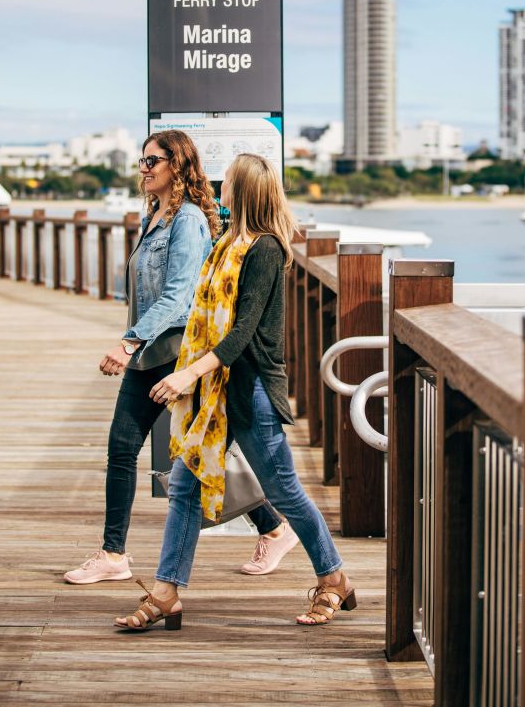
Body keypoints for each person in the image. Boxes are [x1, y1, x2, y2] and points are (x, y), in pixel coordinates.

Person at [113, 153, 356, 631]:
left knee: (283, 490)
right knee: (184, 485)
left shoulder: (264, 250)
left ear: (242, 191)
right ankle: (166, 593)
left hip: (252, 391)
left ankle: (335, 578)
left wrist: (184, 375)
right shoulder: (225, 243)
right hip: (217, 390)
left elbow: (241, 334)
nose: (221, 189)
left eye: (229, 184)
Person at [64, 132, 297, 585]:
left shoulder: (188, 220)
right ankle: (114, 554)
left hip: (179, 354)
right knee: (123, 448)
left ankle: (276, 527)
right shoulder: (153, 216)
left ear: (178, 165)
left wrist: (129, 341)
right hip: (151, 354)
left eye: (154, 160)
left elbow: (178, 296)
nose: (144, 167)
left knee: (200, 455)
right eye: (142, 159)